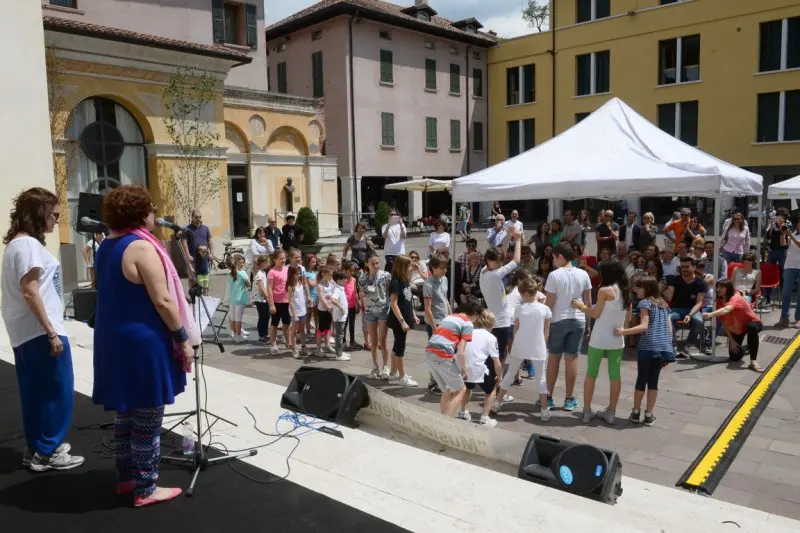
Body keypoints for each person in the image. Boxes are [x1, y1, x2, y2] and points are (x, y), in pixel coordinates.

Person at [92, 185, 198, 506]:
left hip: (114, 339)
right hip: (142, 341)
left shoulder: (106, 246)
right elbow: (164, 300)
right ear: (140, 213)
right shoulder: (140, 247)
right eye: (151, 209)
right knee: (149, 416)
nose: (155, 214)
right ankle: (147, 487)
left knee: (126, 412)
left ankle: (127, 478)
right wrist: (183, 337)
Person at [2, 187, 84, 472]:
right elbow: (30, 291)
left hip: (26, 331)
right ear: (39, 214)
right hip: (40, 330)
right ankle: (48, 451)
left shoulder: (17, 245)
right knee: (58, 391)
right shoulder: (27, 246)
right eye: (54, 214)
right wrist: (50, 330)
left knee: (36, 392)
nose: (56, 220)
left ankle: (37, 448)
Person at [572, 259, 630, 425]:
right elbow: (628, 317)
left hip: (599, 338)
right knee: (615, 375)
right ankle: (611, 412)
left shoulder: (605, 290)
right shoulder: (626, 291)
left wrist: (580, 306)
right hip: (617, 338)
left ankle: (587, 411)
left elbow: (595, 314)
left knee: (591, 374)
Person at [615, 277, 675, 427]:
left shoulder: (644, 303)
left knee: (641, 379)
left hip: (648, 347)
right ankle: (649, 415)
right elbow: (669, 329)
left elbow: (644, 326)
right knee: (653, 382)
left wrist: (624, 331)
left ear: (647, 288)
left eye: (639, 287)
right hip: (663, 348)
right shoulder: (663, 304)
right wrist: (668, 347)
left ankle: (635, 412)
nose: (636, 290)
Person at [495, 278, 552, 420]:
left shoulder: (519, 308)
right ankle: (544, 410)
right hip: (538, 344)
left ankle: (497, 402)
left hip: (520, 343)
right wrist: (542, 343)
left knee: (510, 373)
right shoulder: (545, 309)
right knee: (541, 377)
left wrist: (516, 340)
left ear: (523, 293)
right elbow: (546, 331)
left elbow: (516, 328)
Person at [544, 242, 592, 412]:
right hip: (578, 319)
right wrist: (587, 324)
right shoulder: (584, 274)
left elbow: (549, 304)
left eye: (554, 257)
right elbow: (588, 303)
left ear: (561, 257)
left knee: (554, 358)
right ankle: (569, 398)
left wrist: (545, 326)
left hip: (558, 320)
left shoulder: (554, 275)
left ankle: (548, 397)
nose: (553, 261)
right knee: (572, 358)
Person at [426, 302, 481, 416]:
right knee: (461, 390)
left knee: (446, 390)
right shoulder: (467, 323)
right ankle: (447, 421)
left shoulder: (449, 317)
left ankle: (442, 419)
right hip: (443, 354)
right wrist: (463, 369)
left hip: (429, 352)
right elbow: (461, 351)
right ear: (475, 314)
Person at [480, 227, 521, 367]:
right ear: (488, 260)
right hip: (500, 322)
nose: (499, 264)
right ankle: (495, 383)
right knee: (498, 356)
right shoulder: (494, 275)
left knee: (493, 354)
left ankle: (493, 380)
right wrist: (519, 240)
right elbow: (516, 260)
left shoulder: (484, 270)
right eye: (496, 262)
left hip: (493, 319)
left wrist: (509, 235)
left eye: (499, 262)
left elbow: (501, 254)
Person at [704, 279, 764, 372]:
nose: (718, 289)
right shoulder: (719, 302)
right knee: (734, 357)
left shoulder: (736, 297)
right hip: (738, 329)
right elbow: (724, 322)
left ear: (728, 288)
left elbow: (727, 309)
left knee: (751, 327)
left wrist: (711, 314)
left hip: (753, 322)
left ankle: (753, 361)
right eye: (717, 287)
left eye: (721, 287)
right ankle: (747, 347)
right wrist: (731, 340)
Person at [459, 310, 503, 427]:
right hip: (479, 368)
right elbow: (497, 362)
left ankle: (463, 412)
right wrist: (500, 377)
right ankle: (484, 417)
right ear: (491, 324)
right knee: (491, 390)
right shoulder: (491, 337)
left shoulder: (468, 332)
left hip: (464, 367)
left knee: (468, 388)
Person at [665, 256, 707, 358]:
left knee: (699, 321)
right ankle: (673, 347)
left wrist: (690, 314)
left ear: (694, 267)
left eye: (687, 267)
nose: (684, 269)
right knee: (668, 319)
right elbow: (669, 297)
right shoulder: (675, 280)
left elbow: (699, 303)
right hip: (676, 309)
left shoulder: (700, 282)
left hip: (693, 310)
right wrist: (667, 291)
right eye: (682, 267)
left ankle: (687, 345)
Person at [388, 255, 419, 386]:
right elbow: (393, 303)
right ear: (402, 267)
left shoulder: (405, 280)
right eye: (409, 266)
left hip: (405, 318)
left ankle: (394, 373)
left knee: (397, 346)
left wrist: (413, 315)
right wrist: (402, 321)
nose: (411, 268)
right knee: (400, 347)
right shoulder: (395, 282)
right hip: (398, 320)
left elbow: (408, 301)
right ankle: (402, 376)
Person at [359, 252, 391, 379]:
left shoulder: (385, 276)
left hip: (383, 310)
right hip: (370, 311)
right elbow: (362, 293)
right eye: (373, 263)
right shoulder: (363, 278)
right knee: (373, 341)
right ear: (367, 264)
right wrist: (364, 304)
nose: (376, 266)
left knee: (382, 340)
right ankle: (375, 366)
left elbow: (389, 291)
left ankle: (385, 367)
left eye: (377, 263)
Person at [424, 254, 451, 394]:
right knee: (435, 354)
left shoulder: (444, 279)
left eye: (445, 268)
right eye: (441, 268)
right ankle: (433, 382)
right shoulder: (428, 284)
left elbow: (445, 299)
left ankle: (441, 379)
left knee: (444, 353)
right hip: (435, 323)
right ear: (433, 268)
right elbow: (427, 308)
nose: (444, 271)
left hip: (445, 320)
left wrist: (451, 315)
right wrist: (434, 327)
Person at [267, 250, 291, 355]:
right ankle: (273, 345)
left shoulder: (287, 269)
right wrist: (271, 304)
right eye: (280, 259)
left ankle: (288, 341)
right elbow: (269, 289)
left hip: (286, 301)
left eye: (284, 258)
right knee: (274, 323)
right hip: (276, 301)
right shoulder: (272, 272)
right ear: (275, 260)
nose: (283, 260)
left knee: (287, 322)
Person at [765, 208, 790, 304]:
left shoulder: (788, 224)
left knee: (784, 272)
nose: (780, 217)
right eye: (778, 215)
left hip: (782, 251)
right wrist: (771, 226)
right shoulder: (773, 223)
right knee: (769, 271)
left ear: (785, 216)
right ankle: (768, 295)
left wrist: (781, 226)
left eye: (782, 215)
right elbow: (768, 235)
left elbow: (784, 237)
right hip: (772, 250)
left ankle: (783, 295)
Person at [328, 270, 351, 361]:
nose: (346, 279)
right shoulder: (337, 289)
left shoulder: (339, 287)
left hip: (342, 317)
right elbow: (333, 299)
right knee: (339, 335)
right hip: (339, 317)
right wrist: (341, 307)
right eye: (343, 278)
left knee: (340, 334)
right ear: (338, 280)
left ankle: (340, 351)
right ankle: (339, 354)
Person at [226, 253, 250, 343]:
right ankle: (238, 336)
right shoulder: (242, 273)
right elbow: (248, 284)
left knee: (233, 318)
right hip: (240, 299)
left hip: (232, 299)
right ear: (236, 263)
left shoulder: (230, 273)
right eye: (241, 262)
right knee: (238, 319)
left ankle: (235, 334)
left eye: (243, 262)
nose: (242, 264)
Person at [181, 209, 213, 274]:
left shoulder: (206, 228)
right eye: (196, 217)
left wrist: (211, 253)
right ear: (192, 218)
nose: (198, 219)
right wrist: (188, 256)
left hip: (204, 258)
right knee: (192, 278)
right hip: (193, 258)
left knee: (204, 277)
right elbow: (184, 243)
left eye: (200, 217)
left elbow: (210, 241)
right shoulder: (187, 229)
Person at [286, 265, 307, 359]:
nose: (298, 275)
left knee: (302, 330)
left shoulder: (300, 283)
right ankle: (294, 348)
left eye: (299, 273)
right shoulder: (290, 287)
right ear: (291, 274)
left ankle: (303, 346)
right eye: (296, 274)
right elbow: (290, 302)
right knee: (294, 331)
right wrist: (294, 315)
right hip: (295, 312)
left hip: (302, 310)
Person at [252, 254, 271, 344]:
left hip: (262, 298)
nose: (268, 264)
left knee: (266, 316)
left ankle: (265, 334)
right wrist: (267, 296)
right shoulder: (259, 274)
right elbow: (261, 288)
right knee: (263, 317)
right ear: (263, 263)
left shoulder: (262, 272)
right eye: (267, 262)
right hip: (260, 299)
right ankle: (262, 336)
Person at [315, 267, 334, 355]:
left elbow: (333, 295)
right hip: (323, 310)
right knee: (321, 329)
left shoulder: (330, 283)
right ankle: (318, 348)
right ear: (323, 274)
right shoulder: (320, 285)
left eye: (331, 275)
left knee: (328, 327)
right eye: (329, 275)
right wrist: (327, 306)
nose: (330, 276)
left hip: (330, 309)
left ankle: (327, 345)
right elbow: (321, 297)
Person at [342, 260, 361, 350]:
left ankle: (352, 341)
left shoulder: (353, 280)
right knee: (344, 325)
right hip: (344, 307)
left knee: (352, 324)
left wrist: (357, 303)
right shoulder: (342, 280)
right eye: (350, 271)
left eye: (353, 271)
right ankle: (343, 342)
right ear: (345, 270)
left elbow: (355, 293)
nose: (352, 273)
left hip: (352, 305)